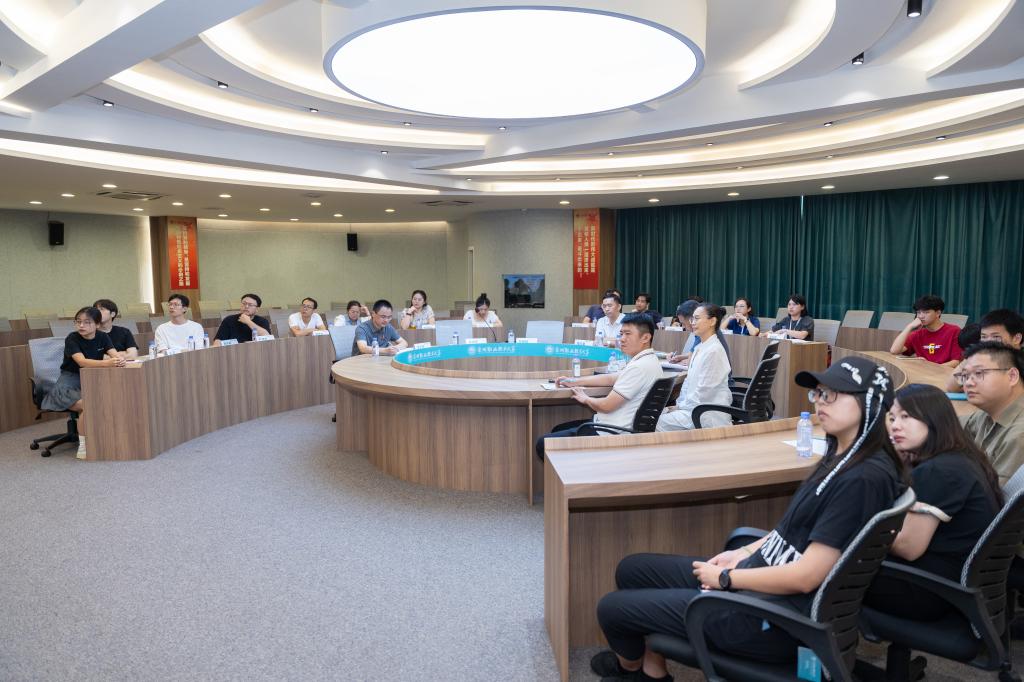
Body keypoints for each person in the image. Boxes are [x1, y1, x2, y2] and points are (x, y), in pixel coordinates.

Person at [591, 357, 903, 682]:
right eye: (819, 394)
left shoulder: (862, 479)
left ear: (871, 403)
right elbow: (790, 531)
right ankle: (651, 667)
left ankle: (634, 672)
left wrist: (727, 578)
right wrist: (743, 553)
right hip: (758, 583)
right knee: (633, 569)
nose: (821, 402)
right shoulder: (841, 456)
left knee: (612, 609)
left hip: (768, 618)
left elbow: (806, 577)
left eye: (832, 395)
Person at [862, 383, 1001, 620]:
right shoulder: (959, 456)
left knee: (827, 565)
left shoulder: (939, 471)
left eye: (906, 417)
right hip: (954, 583)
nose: (895, 426)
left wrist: (858, 521)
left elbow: (908, 548)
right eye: (892, 418)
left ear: (934, 419)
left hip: (929, 590)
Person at [536, 313, 663, 459]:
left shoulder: (638, 367)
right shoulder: (649, 361)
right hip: (620, 426)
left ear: (645, 338)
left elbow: (606, 406)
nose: (622, 339)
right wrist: (575, 381)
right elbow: (611, 378)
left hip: (612, 432)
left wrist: (585, 398)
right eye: (621, 333)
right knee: (558, 429)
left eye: (628, 334)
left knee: (542, 444)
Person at [42, 306, 126, 458]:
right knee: (89, 405)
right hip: (68, 384)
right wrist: (107, 363)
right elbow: (82, 362)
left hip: (90, 381)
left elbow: (114, 354)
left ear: (97, 324)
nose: (81, 325)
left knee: (108, 399)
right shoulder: (72, 338)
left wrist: (119, 359)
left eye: (87, 322)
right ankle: (84, 447)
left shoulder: (102, 337)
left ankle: (104, 439)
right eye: (78, 321)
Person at [657, 304, 732, 431]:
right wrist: (678, 405)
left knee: (653, 423)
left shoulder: (714, 351)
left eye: (697, 318)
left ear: (712, 321)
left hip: (704, 414)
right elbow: (688, 382)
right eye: (692, 319)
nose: (692, 322)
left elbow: (704, 393)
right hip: (692, 408)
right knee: (655, 417)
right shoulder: (700, 347)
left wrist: (681, 407)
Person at [958, 341, 1024, 485]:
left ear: (1012, 376)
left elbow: (998, 495)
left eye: (979, 373)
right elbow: (949, 424)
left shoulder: (1019, 435)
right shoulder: (990, 411)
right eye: (965, 376)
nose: (968, 383)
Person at [889, 294, 962, 366]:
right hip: (923, 371)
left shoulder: (954, 331)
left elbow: (956, 362)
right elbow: (894, 351)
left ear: (938, 313)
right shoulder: (917, 334)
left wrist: (932, 368)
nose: (921, 316)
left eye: (926, 312)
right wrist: (909, 327)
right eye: (918, 312)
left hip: (944, 372)